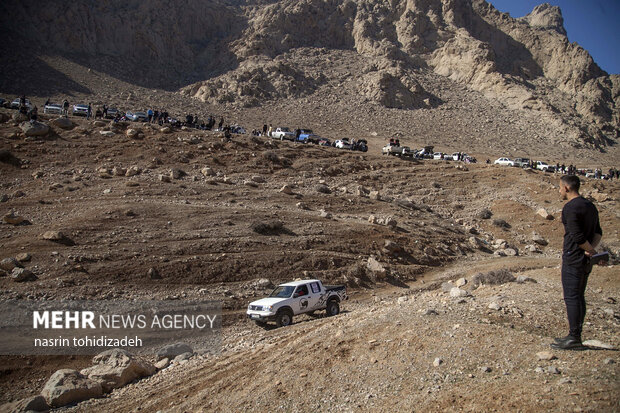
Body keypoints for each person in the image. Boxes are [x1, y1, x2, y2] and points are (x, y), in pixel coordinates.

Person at [552, 175, 603, 350]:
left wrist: (589, 250)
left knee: (572, 297)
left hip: (573, 257)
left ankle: (574, 337)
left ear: (566, 188)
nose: (559, 190)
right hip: (585, 260)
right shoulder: (590, 206)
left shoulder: (570, 208)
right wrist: (591, 251)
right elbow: (598, 233)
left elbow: (577, 236)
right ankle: (575, 335)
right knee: (579, 296)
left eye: (559, 187)